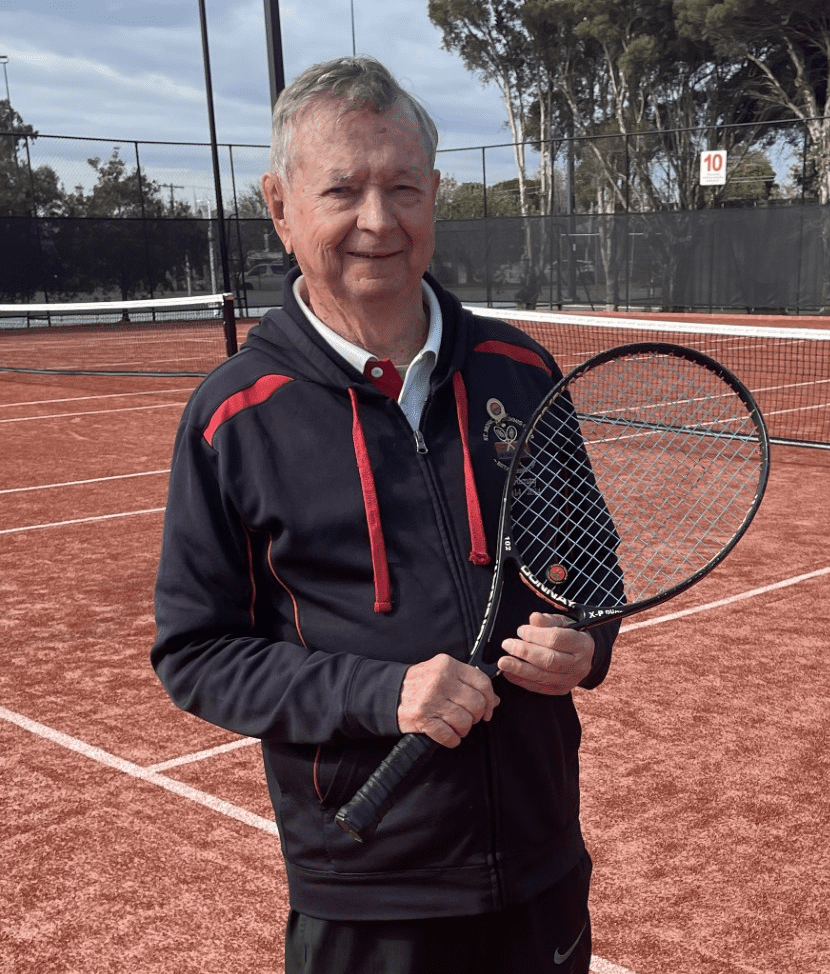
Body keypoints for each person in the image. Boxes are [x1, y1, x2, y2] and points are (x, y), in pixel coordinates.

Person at [151, 55, 618, 974]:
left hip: (540, 864)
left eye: (403, 187)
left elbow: (591, 569)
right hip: (365, 890)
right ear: (281, 207)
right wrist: (380, 694)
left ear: (435, 195)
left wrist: (588, 643)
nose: (378, 221)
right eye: (343, 191)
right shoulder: (233, 416)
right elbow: (195, 653)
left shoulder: (521, 374)